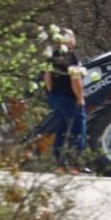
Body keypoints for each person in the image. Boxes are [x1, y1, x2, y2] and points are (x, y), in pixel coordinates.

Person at [43, 28, 86, 173]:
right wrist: (80, 98)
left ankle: (60, 166)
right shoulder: (71, 56)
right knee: (78, 130)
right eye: (73, 36)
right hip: (70, 99)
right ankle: (75, 166)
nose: (75, 39)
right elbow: (76, 79)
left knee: (60, 131)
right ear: (68, 39)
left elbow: (47, 78)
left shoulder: (52, 55)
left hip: (55, 98)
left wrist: (52, 94)